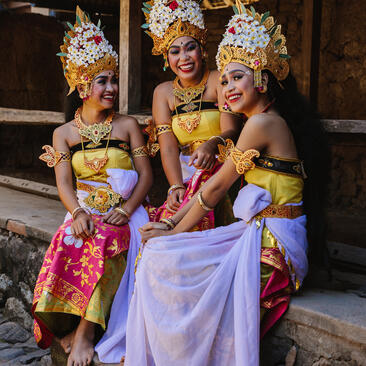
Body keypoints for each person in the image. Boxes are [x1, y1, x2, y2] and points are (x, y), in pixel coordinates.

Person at [126, 2, 328, 365]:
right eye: (226, 80)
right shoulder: (259, 120)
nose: (228, 88)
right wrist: (171, 222)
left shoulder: (261, 124)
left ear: (262, 79)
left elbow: (216, 188)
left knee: (171, 260)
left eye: (238, 77)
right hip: (259, 233)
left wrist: (173, 231)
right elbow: (208, 186)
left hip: (274, 247)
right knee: (161, 255)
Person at [32, 7, 152, 366]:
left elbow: (146, 176)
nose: (112, 88)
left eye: (113, 80)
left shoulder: (128, 125)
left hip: (125, 211)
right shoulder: (62, 134)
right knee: (71, 237)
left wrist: (126, 210)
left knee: (108, 241)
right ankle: (65, 327)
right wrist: (79, 212)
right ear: (82, 86)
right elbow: (64, 184)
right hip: (84, 210)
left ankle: (84, 334)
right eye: (102, 81)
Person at [143, 0, 242, 229]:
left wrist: (211, 144)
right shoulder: (163, 92)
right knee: (165, 222)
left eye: (190, 47)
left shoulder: (219, 79)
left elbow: (232, 129)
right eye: (175, 52)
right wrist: (176, 186)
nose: (184, 58)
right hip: (185, 173)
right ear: (167, 59)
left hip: (221, 169)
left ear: (203, 49)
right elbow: (167, 146)